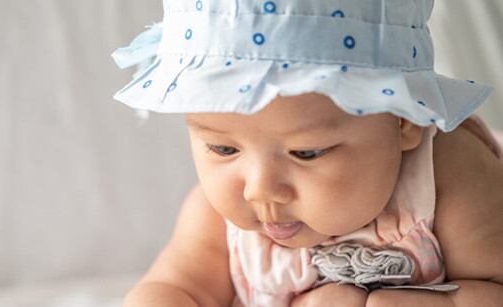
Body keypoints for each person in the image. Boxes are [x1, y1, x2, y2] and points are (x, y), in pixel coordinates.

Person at [113, 0, 503, 306]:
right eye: (223, 148)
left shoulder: (449, 175)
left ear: (405, 120)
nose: (260, 189)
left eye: (307, 152)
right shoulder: (213, 217)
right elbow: (172, 289)